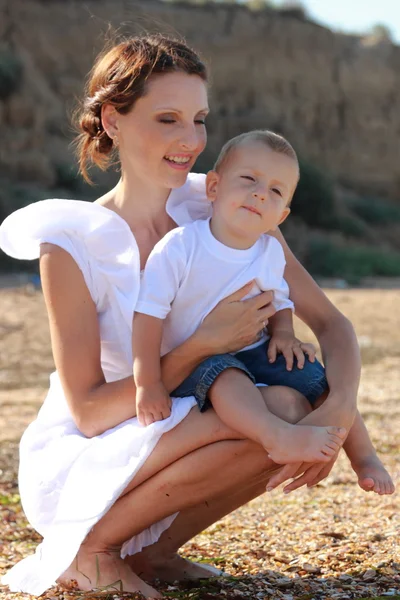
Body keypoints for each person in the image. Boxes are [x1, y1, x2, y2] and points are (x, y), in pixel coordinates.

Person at [0, 34, 386, 599]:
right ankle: (91, 550)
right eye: (168, 118)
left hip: (193, 416)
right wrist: (203, 344)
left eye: (200, 119)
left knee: (284, 404)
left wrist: (340, 410)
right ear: (113, 119)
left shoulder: (230, 203)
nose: (191, 140)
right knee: (265, 411)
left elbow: (334, 326)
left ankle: (155, 552)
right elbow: (87, 412)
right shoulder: (73, 243)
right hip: (101, 445)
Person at [133, 129, 394, 489]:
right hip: (201, 361)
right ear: (213, 188)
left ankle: (364, 457)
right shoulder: (181, 247)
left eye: (275, 190)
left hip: (255, 347)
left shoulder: (268, 250)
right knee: (227, 379)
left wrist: (284, 334)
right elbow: (147, 317)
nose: (260, 193)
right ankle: (276, 436)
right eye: (249, 179)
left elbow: (278, 299)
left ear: (281, 215)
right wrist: (148, 383)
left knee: (314, 376)